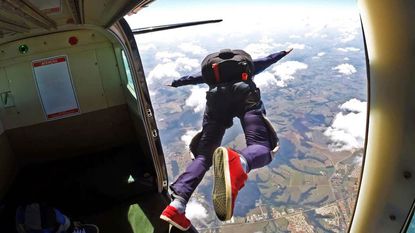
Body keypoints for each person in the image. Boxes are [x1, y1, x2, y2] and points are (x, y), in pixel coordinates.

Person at [160, 48, 293, 231]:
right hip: (245, 96)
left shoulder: (214, 72)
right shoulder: (244, 66)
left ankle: (177, 205)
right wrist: (283, 53)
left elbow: (195, 78)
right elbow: (266, 60)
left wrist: (175, 83)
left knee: (204, 156)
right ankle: (240, 161)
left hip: (216, 100)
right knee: (262, 146)